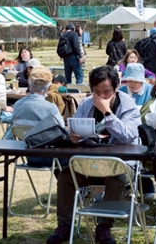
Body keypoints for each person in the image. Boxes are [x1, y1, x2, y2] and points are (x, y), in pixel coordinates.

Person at [45, 65, 140, 244]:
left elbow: (128, 135)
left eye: (107, 92)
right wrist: (74, 137)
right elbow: (78, 130)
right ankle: (64, 225)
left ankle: (104, 228)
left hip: (118, 164)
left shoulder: (129, 105)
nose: (102, 96)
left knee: (117, 178)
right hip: (89, 162)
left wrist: (107, 112)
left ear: (116, 88)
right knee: (66, 176)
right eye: (97, 92)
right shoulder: (86, 104)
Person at [10, 66, 64, 168]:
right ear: (49, 88)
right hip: (50, 156)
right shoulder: (50, 108)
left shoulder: (17, 105)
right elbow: (62, 132)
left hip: (27, 153)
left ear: (28, 84)